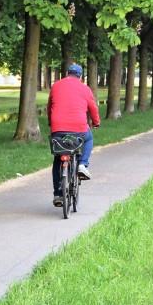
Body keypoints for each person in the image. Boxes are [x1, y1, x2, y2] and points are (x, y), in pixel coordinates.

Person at [47, 62, 100, 207]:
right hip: (79, 128)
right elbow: (93, 108)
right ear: (80, 76)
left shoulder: (56, 86)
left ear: (67, 73)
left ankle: (58, 194)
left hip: (58, 128)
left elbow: (49, 106)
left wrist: (51, 123)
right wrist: (96, 122)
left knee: (58, 159)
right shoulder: (85, 88)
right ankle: (83, 164)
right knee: (88, 139)